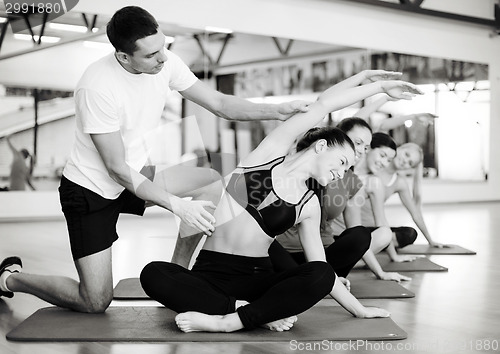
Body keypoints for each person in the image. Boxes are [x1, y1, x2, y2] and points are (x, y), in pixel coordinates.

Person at [0, 6, 312, 311]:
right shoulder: (96, 87)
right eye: (150, 55)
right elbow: (116, 168)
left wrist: (276, 110)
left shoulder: (166, 61)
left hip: (136, 177)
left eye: (162, 47)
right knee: (94, 300)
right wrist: (178, 206)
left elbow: (218, 103)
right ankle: (10, 279)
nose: (162, 58)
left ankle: (178, 275)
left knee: (211, 183)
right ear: (123, 56)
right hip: (91, 190)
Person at [140, 70, 423, 333]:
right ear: (321, 146)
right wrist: (377, 85)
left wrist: (358, 309)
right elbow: (323, 105)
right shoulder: (265, 158)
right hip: (209, 271)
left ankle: (229, 321)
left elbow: (321, 267)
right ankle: (245, 311)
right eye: (341, 162)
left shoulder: (309, 205)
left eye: (347, 167)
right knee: (153, 274)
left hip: (257, 278)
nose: (342, 172)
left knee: (322, 273)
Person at [270, 118, 410, 283]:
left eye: (366, 147)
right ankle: (312, 279)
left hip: (325, 253)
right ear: (339, 135)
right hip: (287, 252)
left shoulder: (350, 180)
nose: (360, 150)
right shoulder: (310, 167)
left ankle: (321, 278)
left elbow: (356, 232)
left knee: (360, 235)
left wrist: (381, 272)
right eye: (357, 142)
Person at [352, 132, 422, 262]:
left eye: (410, 163)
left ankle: (362, 256)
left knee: (399, 233)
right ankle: (360, 257)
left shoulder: (376, 181)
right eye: (382, 156)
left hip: (364, 231)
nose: (384, 163)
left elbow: (382, 223)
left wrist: (393, 257)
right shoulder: (348, 172)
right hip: (345, 234)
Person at [367, 142, 447, 248]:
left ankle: (376, 243)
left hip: (375, 228)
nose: (405, 161)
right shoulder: (374, 165)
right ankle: (375, 244)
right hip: (354, 226)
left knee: (410, 234)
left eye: (410, 163)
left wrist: (430, 241)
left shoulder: (399, 182)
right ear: (399, 148)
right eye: (406, 154)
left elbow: (415, 214)